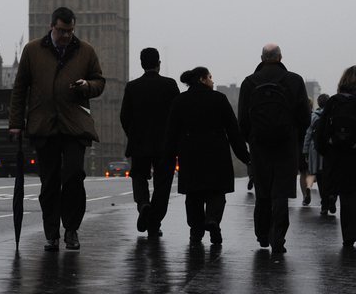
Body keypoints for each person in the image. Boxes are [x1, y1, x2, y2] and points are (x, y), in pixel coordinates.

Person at [9, 6, 106, 252]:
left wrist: (87, 85)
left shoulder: (86, 51)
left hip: (74, 125)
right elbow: (20, 89)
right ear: (52, 26)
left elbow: (99, 82)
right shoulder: (32, 50)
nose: (66, 36)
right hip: (44, 125)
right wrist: (16, 123)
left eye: (70, 31)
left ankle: (71, 229)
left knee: (74, 176)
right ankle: (51, 233)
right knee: (49, 182)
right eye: (62, 31)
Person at [238, 43, 311, 256]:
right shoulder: (294, 81)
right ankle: (278, 236)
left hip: (259, 145)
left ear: (261, 58)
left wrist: (251, 139)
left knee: (263, 191)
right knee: (281, 193)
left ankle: (262, 233)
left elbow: (242, 119)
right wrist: (294, 138)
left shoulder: (249, 82)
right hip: (286, 145)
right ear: (280, 57)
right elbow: (305, 118)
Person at [164, 66, 249, 245]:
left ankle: (196, 231)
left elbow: (171, 132)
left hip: (190, 153)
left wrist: (169, 158)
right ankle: (213, 219)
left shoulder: (180, 100)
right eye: (210, 77)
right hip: (216, 151)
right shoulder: (219, 99)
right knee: (216, 191)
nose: (212, 80)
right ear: (202, 79)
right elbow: (233, 130)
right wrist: (245, 157)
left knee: (193, 195)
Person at [314, 65, 356, 248]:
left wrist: (326, 152)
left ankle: (350, 235)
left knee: (347, 195)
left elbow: (320, 132)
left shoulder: (335, 102)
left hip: (340, 158)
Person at [120, 47, 180, 238]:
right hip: (165, 144)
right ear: (158, 64)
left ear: (141, 64)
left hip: (139, 143)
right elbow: (178, 114)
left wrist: (133, 134)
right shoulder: (170, 85)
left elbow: (124, 116)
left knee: (138, 176)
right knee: (163, 184)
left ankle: (143, 204)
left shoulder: (132, 86)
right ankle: (154, 222)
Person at [302, 93, 333, 215]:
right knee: (330, 175)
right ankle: (332, 196)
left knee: (320, 178)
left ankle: (324, 204)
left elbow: (308, 134)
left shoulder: (314, 117)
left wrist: (305, 151)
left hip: (316, 150)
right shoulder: (332, 115)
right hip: (330, 150)